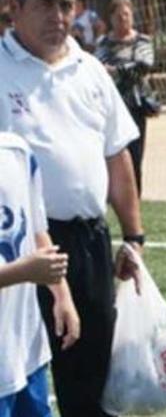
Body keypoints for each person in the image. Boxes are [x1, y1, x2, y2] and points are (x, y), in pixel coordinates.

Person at [0, 0, 146, 417]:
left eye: (66, 5)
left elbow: (116, 156)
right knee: (24, 379)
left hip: (88, 244)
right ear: (13, 7)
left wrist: (134, 236)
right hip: (21, 251)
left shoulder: (90, 70)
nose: (58, 17)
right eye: (45, 4)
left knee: (93, 380)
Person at [0, 131, 80, 417]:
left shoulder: (17, 151)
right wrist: (22, 272)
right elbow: (29, 265)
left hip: (26, 349)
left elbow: (37, 231)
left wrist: (62, 295)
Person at [96, 0, 158, 197]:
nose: (123, 19)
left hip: (135, 106)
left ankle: (134, 197)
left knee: (135, 154)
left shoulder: (143, 41)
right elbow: (98, 67)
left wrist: (114, 70)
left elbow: (143, 65)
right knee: (110, 153)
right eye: (118, 15)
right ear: (111, 18)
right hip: (110, 107)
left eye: (127, 14)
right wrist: (123, 69)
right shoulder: (104, 42)